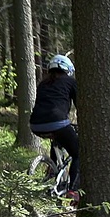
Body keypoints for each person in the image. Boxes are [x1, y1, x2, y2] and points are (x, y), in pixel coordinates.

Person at [29, 54, 80, 205]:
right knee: (78, 153)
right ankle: (73, 190)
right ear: (68, 70)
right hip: (57, 122)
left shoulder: (43, 84)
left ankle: (52, 168)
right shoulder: (70, 82)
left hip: (35, 125)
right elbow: (80, 105)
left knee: (58, 138)